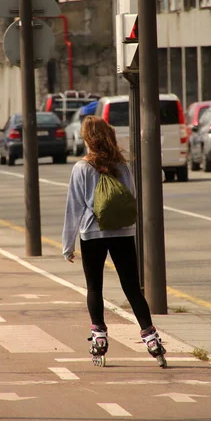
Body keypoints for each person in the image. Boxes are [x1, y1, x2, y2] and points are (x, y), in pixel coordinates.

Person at [62, 115, 166, 367]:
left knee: (95, 287)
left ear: (86, 138)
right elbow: (129, 197)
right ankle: (151, 337)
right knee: (131, 287)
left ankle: (99, 337)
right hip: (122, 232)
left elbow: (73, 207)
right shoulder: (121, 165)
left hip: (92, 233)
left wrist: (68, 245)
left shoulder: (81, 168)